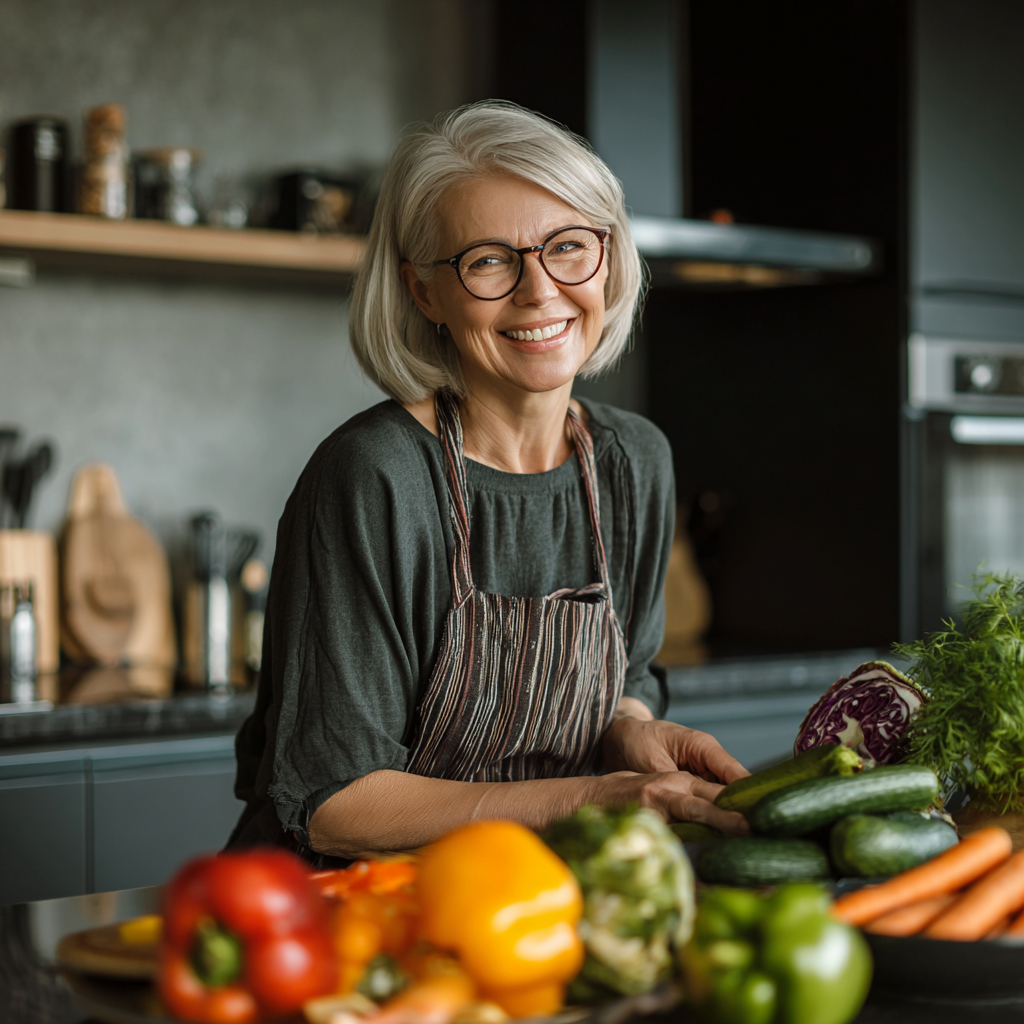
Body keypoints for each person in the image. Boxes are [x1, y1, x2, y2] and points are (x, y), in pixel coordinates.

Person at [229, 101, 750, 865]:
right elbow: (334, 803)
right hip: (342, 918)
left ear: (607, 259)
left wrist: (629, 730)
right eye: (489, 260)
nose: (540, 291)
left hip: (519, 903)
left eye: (569, 247)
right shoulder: (376, 476)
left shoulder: (634, 460)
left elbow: (626, 678)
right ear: (423, 292)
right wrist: (592, 797)